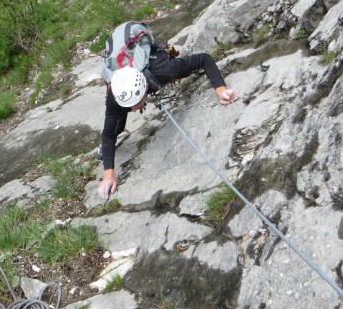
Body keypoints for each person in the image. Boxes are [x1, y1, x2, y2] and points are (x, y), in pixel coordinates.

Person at [97, 46, 239, 199]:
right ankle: (109, 148)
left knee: (181, 70)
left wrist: (221, 91)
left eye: (135, 104)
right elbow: (108, 134)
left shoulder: (166, 70)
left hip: (154, 68)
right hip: (122, 79)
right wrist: (108, 174)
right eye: (129, 106)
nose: (133, 109)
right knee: (117, 125)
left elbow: (204, 59)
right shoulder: (115, 95)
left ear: (145, 88)